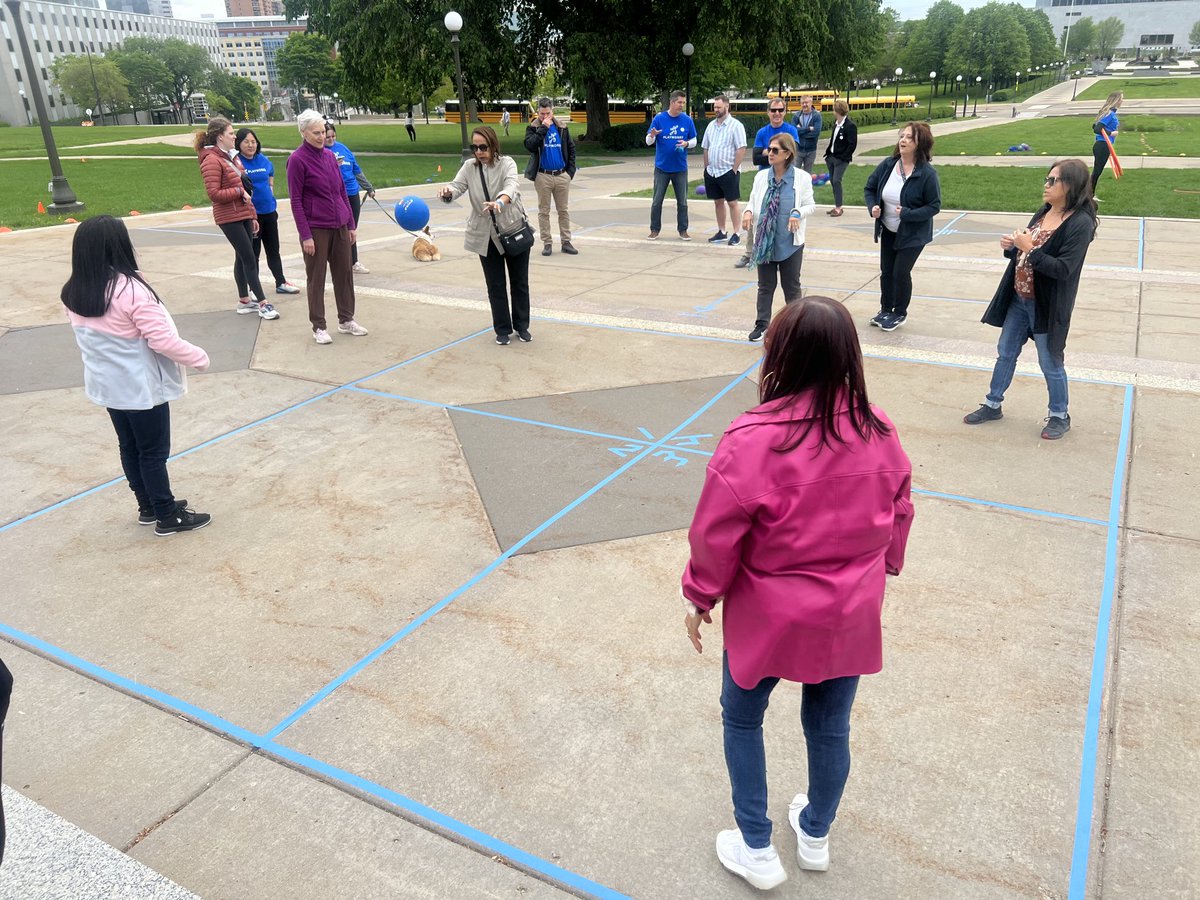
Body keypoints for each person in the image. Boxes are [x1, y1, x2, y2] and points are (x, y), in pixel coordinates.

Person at [681, 296, 913, 891]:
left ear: (779, 353)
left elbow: (715, 533)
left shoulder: (751, 437)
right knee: (830, 726)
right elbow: (900, 506)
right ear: (849, 355)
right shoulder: (878, 427)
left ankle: (756, 845)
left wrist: (701, 596)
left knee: (742, 717)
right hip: (850, 610)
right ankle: (815, 833)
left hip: (770, 614)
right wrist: (886, 563)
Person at [60, 216, 212, 535]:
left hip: (108, 385)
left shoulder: (74, 291)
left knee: (129, 447)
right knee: (153, 453)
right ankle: (167, 515)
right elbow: (162, 341)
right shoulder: (130, 290)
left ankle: (148, 505)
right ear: (119, 246)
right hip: (140, 387)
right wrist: (199, 357)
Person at [964, 159, 1097, 441]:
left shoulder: (1080, 223)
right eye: (1047, 179)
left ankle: (1060, 415)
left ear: (1070, 185)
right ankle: (992, 404)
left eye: (1053, 181)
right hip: (1019, 298)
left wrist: (1029, 249)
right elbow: (1026, 251)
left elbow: (1063, 269)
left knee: (1050, 362)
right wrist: (1013, 247)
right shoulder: (1044, 211)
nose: (1046, 185)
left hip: (1046, 305)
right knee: (1006, 352)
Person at [439, 126, 532, 345]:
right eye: (475, 147)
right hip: (485, 234)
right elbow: (457, 186)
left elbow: (512, 185)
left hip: (512, 229)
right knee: (495, 285)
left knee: (519, 282)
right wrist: (448, 192)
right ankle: (502, 329)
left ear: (493, 145)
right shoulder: (469, 167)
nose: (479, 152)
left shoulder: (507, 163)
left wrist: (500, 201)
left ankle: (522, 326)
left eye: (483, 147)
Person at [288, 110, 368, 345]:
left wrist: (350, 224)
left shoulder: (331, 157)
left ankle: (346, 319)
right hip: (316, 228)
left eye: (323, 132)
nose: (321, 136)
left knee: (344, 274)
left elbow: (342, 191)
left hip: (340, 224)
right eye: (316, 133)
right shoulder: (297, 160)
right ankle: (319, 326)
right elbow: (296, 201)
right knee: (317, 278)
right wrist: (306, 235)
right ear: (303, 133)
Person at [194, 117, 278, 321]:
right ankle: (263, 303)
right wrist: (239, 192)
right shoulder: (211, 160)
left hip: (242, 213)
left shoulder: (231, 157)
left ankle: (244, 301)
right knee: (249, 257)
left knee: (241, 258)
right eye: (231, 133)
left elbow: (245, 189)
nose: (234, 137)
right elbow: (214, 193)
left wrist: (252, 214)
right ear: (220, 136)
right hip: (228, 216)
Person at [863, 121, 941, 332]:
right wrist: (873, 206)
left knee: (900, 272)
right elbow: (870, 188)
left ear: (919, 144)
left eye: (909, 137)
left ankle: (899, 313)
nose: (903, 140)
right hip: (888, 229)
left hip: (913, 234)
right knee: (886, 271)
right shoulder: (888, 165)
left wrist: (908, 213)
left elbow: (934, 206)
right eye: (902, 136)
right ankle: (885, 309)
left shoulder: (927, 174)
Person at [742, 133, 815, 343]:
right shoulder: (761, 177)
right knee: (765, 286)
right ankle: (761, 325)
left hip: (790, 242)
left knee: (791, 287)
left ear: (788, 154)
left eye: (775, 150)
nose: (769, 153)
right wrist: (748, 212)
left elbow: (810, 205)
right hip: (765, 241)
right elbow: (752, 200)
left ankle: (796, 327)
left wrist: (797, 213)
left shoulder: (801, 178)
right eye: (769, 149)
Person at [235, 127, 301, 298]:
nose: (251, 145)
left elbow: (270, 172)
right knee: (253, 254)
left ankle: (281, 282)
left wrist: (270, 188)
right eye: (246, 142)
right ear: (238, 143)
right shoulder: (236, 163)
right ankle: (253, 288)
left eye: (253, 142)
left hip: (269, 212)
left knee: (273, 250)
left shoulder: (263, 160)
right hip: (251, 215)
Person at [737, 99, 799, 268]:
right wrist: (773, 154)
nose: (777, 113)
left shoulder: (791, 130)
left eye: (780, 110)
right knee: (756, 214)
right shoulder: (762, 132)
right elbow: (756, 158)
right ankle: (750, 253)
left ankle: (780, 256)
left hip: (784, 180)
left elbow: (793, 155)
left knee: (779, 219)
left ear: (785, 112)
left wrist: (766, 152)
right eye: (773, 110)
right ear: (768, 112)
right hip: (766, 181)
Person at [524, 96, 578, 256]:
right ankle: (547, 243)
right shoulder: (533, 128)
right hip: (543, 175)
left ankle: (566, 242)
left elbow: (571, 149)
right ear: (538, 113)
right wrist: (543, 128)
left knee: (563, 210)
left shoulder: (562, 127)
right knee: (544, 211)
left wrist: (570, 173)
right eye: (542, 114)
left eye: (547, 113)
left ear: (552, 111)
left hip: (561, 174)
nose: (545, 116)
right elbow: (530, 145)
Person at [324, 122, 375, 274]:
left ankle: (353, 262)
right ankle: (342, 261)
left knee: (352, 229)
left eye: (333, 136)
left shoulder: (343, 148)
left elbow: (356, 170)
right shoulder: (322, 152)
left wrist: (368, 187)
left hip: (352, 193)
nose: (331, 139)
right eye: (328, 137)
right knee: (341, 229)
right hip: (337, 195)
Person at [646, 90, 698, 241]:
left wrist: (687, 143)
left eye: (683, 103)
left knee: (682, 202)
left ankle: (683, 230)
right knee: (657, 201)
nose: (682, 105)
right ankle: (654, 229)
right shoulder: (659, 119)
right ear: (672, 102)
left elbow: (694, 140)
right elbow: (648, 141)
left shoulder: (687, 120)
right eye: (679, 102)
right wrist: (652, 135)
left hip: (680, 168)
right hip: (662, 168)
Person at [701, 94, 747, 247]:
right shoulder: (711, 126)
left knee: (732, 202)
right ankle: (721, 231)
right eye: (715, 107)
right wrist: (707, 167)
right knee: (718, 202)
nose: (716, 109)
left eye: (719, 107)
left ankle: (736, 233)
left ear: (727, 107)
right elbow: (705, 147)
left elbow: (741, 148)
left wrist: (734, 169)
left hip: (728, 171)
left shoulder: (736, 126)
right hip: (712, 171)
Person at [823, 100, 857, 218]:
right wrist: (828, 154)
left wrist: (843, 157)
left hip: (841, 159)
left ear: (837, 111)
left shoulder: (850, 126)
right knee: (833, 180)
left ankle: (839, 207)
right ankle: (837, 205)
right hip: (831, 157)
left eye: (834, 110)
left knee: (837, 180)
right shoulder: (836, 124)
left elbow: (852, 144)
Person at [1090, 91, 1122, 199]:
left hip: (1103, 145)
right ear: (1116, 100)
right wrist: (1111, 133)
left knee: (1097, 172)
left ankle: (1089, 194)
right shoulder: (1110, 114)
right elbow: (1097, 129)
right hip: (1102, 146)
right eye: (1121, 99)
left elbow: (1094, 126)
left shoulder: (1109, 113)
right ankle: (1089, 195)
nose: (1122, 101)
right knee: (1097, 172)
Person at [791, 95, 823, 174]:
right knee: (794, 173)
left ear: (811, 103)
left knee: (807, 174)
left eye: (806, 102)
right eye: (802, 103)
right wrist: (808, 129)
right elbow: (793, 131)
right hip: (798, 150)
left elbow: (816, 133)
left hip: (811, 150)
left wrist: (800, 131)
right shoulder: (796, 116)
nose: (804, 105)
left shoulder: (816, 116)